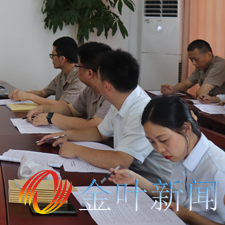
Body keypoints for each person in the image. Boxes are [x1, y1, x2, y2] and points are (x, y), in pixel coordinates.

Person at [39, 50, 171, 183]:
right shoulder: (121, 97)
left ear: (106, 86)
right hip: (128, 178)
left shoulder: (142, 111)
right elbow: (100, 133)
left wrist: (76, 150)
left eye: (98, 78)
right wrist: (67, 135)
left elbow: (120, 161)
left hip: (157, 187)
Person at [109, 96, 225, 225]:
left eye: (164, 140)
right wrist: (137, 180)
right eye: (151, 142)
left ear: (186, 128)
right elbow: (182, 197)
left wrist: (189, 216)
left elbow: (186, 209)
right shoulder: (182, 152)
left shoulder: (218, 171)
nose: (160, 149)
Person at [26, 42, 112, 131]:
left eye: (78, 66)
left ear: (89, 73)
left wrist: (51, 118)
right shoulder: (89, 90)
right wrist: (43, 109)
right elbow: (70, 110)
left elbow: (93, 126)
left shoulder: (110, 94)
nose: (76, 69)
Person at [9, 36, 85, 106]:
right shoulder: (63, 74)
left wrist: (29, 96)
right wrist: (19, 93)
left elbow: (62, 105)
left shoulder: (80, 78)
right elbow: (42, 93)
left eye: (53, 55)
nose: (51, 58)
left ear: (62, 59)